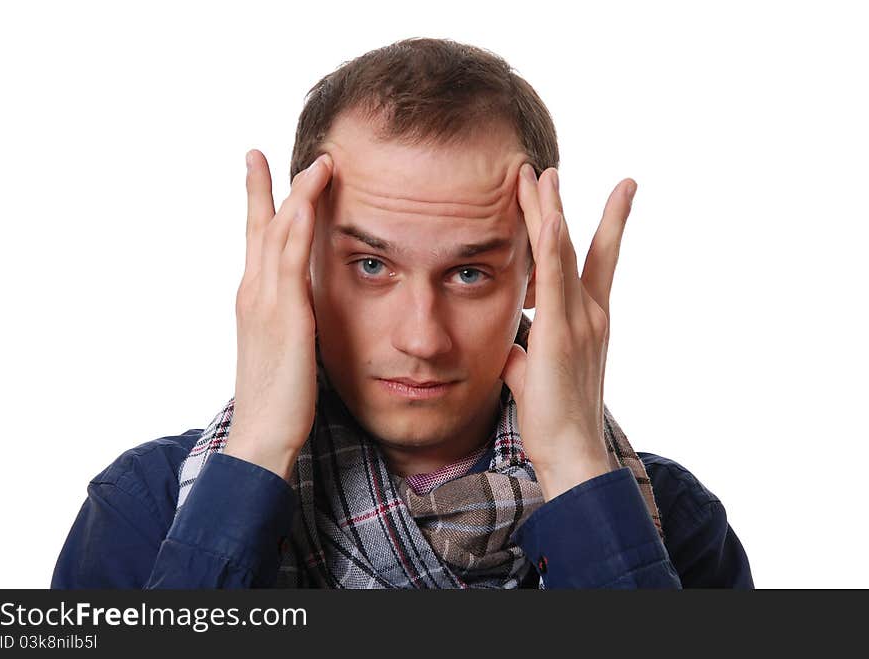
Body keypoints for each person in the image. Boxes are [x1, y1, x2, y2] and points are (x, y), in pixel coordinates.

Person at [51, 37, 753, 589]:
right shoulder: (145, 510)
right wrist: (258, 449)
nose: (421, 337)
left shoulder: (675, 523)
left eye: (470, 271)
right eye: (371, 265)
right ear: (297, 262)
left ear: (539, 273)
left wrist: (575, 465)